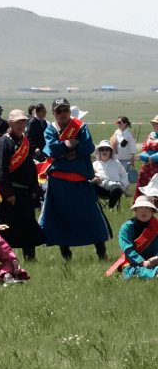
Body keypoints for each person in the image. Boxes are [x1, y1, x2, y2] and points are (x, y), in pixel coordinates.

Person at [40, 98, 111, 262]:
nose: (63, 114)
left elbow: (89, 147)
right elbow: (52, 150)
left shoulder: (80, 127)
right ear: (53, 114)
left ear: (70, 111)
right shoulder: (50, 129)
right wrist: (69, 146)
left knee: (92, 216)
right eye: (59, 111)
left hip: (80, 182)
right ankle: (66, 254)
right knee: (59, 219)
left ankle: (102, 253)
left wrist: (63, 149)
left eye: (65, 110)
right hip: (58, 184)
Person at [0, 109, 45, 261]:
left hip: (24, 193)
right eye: (17, 122)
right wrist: (8, 194)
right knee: (6, 229)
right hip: (10, 193)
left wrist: (35, 187)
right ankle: (5, 260)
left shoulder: (24, 141)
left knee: (28, 227)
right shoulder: (4, 141)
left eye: (23, 121)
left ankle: (31, 259)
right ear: (10, 123)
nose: (21, 125)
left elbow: (29, 166)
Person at [106, 197, 158, 279]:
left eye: (147, 208)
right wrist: (143, 262)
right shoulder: (126, 228)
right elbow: (128, 250)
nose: (143, 211)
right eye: (140, 208)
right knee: (137, 270)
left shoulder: (156, 227)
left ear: (152, 212)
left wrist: (156, 258)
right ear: (135, 211)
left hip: (154, 262)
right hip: (132, 262)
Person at [92, 140, 130, 209]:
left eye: (107, 149)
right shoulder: (95, 164)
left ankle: (111, 206)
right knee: (92, 184)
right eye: (102, 149)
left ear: (110, 152)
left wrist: (123, 183)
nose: (104, 151)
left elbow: (124, 175)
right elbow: (89, 176)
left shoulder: (117, 163)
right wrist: (94, 180)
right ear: (99, 152)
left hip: (113, 188)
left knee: (117, 189)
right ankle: (95, 207)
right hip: (100, 188)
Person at [135, 115, 158, 200]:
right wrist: (146, 157)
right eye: (154, 124)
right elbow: (144, 148)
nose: (154, 126)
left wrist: (154, 157)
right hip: (147, 167)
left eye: (156, 124)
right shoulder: (151, 135)